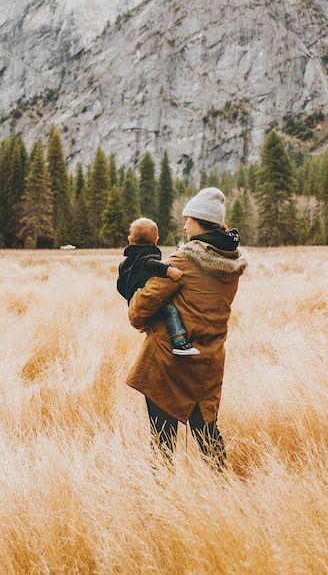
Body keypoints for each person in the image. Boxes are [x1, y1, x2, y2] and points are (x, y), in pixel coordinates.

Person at [125, 187, 248, 467]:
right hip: (208, 361)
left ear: (200, 221)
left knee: (162, 440)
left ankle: (163, 502)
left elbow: (140, 308)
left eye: (188, 219)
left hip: (169, 363)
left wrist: (138, 309)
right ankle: (223, 493)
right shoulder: (231, 265)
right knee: (207, 434)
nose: (184, 225)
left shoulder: (182, 261)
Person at [116, 217, 199, 355]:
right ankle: (180, 342)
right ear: (156, 240)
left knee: (153, 320)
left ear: (130, 240)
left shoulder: (124, 264)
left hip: (134, 302)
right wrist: (169, 271)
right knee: (170, 311)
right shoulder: (147, 257)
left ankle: (144, 323)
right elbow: (150, 264)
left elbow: (120, 286)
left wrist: (131, 299)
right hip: (147, 300)